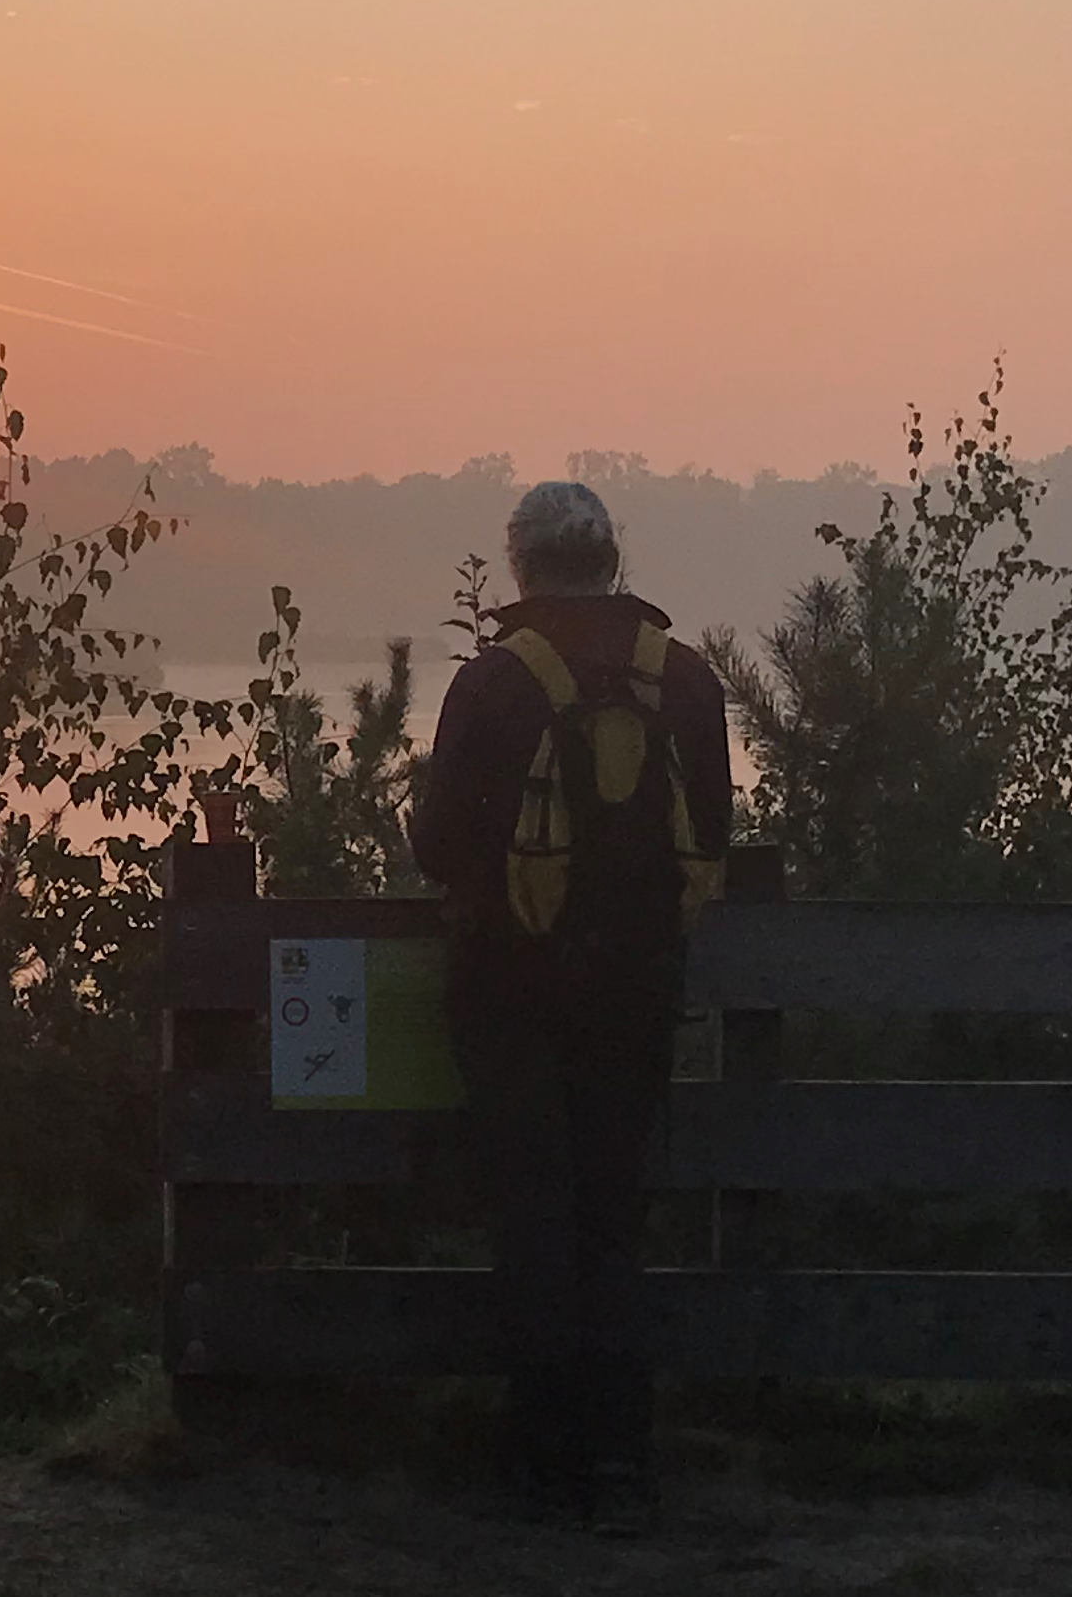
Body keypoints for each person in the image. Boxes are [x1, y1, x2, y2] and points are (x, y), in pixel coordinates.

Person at [413, 481, 731, 1534]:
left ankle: (539, 1456)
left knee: (533, 1212)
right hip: (639, 989)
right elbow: (717, 838)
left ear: (521, 565)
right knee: (612, 1216)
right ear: (610, 557)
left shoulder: (497, 682)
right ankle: (621, 1458)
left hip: (510, 986)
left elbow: (440, 846)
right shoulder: (683, 680)